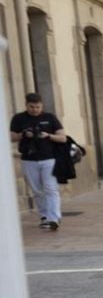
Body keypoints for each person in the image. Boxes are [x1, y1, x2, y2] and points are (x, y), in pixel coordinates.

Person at [10, 93, 67, 231]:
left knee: (50, 188)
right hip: (29, 160)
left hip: (49, 159)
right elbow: (11, 137)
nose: (35, 110)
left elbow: (63, 138)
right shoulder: (19, 118)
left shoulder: (50, 118)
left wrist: (48, 135)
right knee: (37, 190)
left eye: (38, 107)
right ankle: (44, 216)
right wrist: (23, 134)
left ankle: (54, 219)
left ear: (42, 105)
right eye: (32, 107)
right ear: (26, 105)